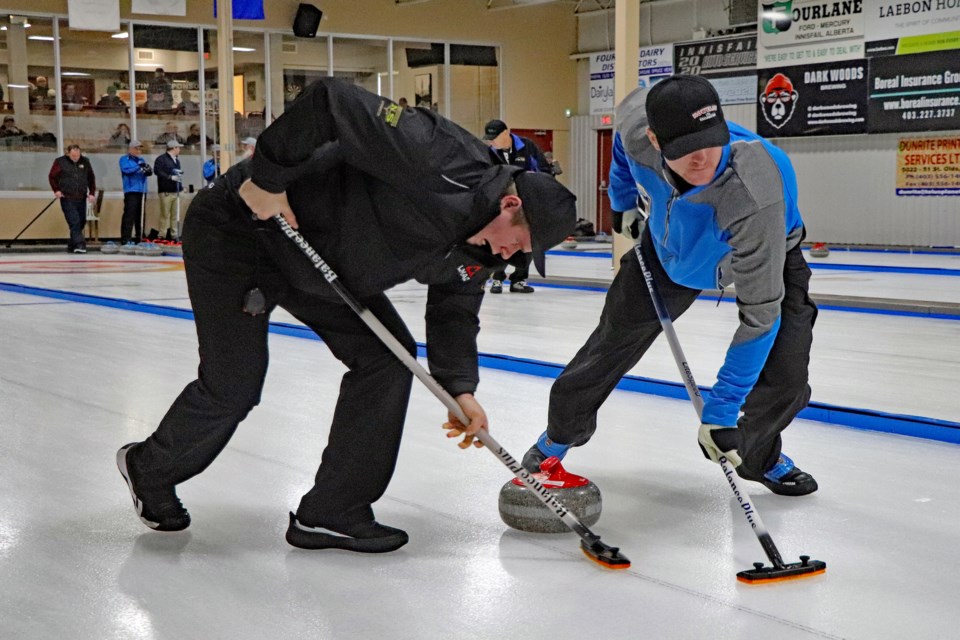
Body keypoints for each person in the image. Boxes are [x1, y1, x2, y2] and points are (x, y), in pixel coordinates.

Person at [115, 79, 576, 552]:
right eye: (519, 243)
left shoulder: (487, 249)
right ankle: (148, 468)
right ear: (510, 203)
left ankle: (333, 510)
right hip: (245, 228)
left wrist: (460, 388)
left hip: (322, 264)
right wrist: (269, 180)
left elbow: (454, 310)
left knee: (388, 360)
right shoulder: (442, 157)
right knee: (235, 382)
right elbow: (332, 100)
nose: (511, 255)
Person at [520, 75, 819, 498]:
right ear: (656, 141)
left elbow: (760, 314)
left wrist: (721, 411)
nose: (702, 160)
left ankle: (758, 455)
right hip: (668, 251)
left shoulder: (753, 191)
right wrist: (621, 202)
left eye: (710, 142)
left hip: (768, 251)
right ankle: (557, 439)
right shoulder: (635, 128)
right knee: (610, 342)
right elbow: (623, 148)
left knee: (787, 375)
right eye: (684, 151)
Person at [482, 119, 553, 294]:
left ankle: (519, 279)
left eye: (494, 137)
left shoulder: (527, 147)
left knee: (525, 242)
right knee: (500, 241)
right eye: (489, 138)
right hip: (500, 206)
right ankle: (497, 278)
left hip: (526, 203)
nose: (491, 142)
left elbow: (544, 171)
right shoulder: (488, 152)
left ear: (506, 133)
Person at [48, 144, 97, 254]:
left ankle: (72, 244)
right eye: (73, 156)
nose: (76, 158)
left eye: (78, 155)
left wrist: (92, 192)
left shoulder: (85, 161)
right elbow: (52, 177)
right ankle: (80, 245)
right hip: (67, 197)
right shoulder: (60, 162)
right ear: (68, 153)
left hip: (81, 197)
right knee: (74, 221)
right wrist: (56, 190)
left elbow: (91, 177)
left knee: (81, 221)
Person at [119, 139, 152, 244]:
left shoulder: (141, 159)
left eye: (140, 149)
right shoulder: (124, 159)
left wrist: (148, 170)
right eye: (136, 149)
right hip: (131, 190)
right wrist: (138, 166)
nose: (138, 151)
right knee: (129, 214)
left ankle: (140, 236)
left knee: (141, 215)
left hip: (142, 190)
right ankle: (126, 237)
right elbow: (126, 170)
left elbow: (147, 172)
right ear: (131, 149)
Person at [152, 139, 183, 242]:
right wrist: (170, 177)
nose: (179, 150)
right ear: (173, 148)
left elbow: (178, 174)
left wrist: (181, 186)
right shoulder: (161, 159)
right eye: (178, 148)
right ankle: (162, 234)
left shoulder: (176, 161)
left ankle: (174, 234)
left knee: (174, 214)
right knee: (165, 214)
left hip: (175, 190)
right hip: (166, 191)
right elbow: (157, 171)